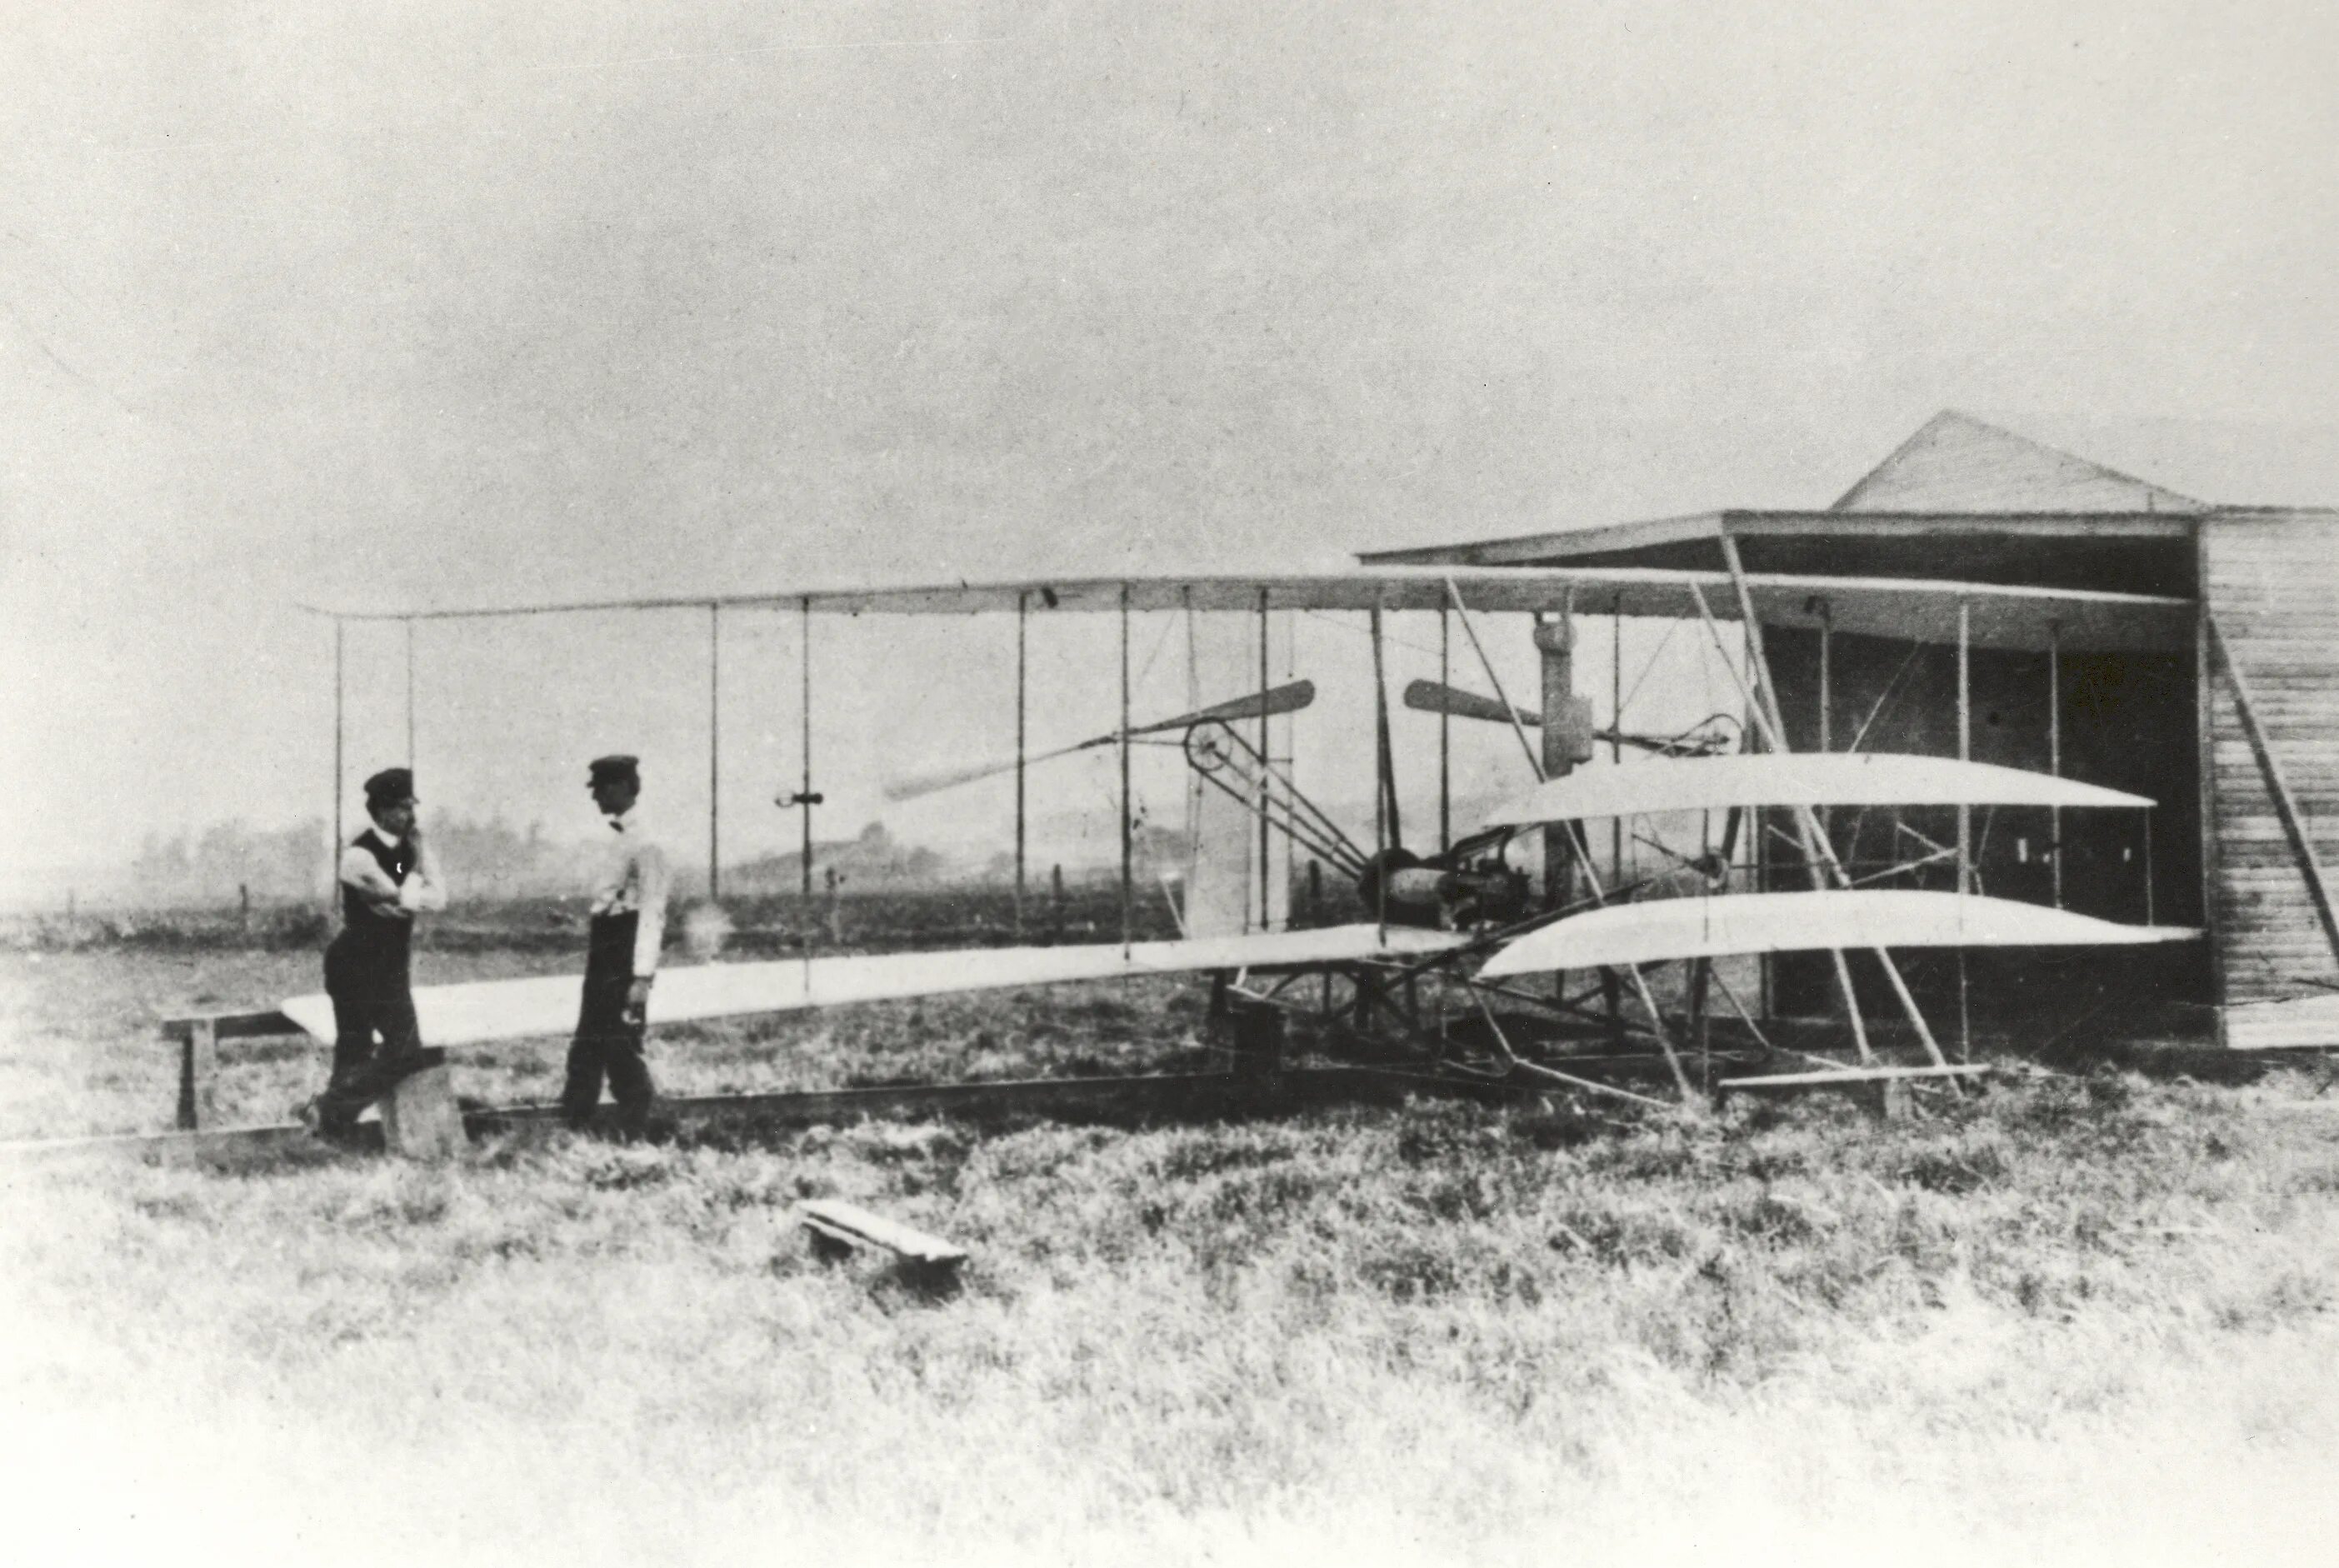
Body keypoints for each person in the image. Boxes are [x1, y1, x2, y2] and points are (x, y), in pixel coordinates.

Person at [304, 767, 446, 1137]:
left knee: (406, 1051)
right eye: (400, 807)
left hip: (391, 966)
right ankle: (332, 1130)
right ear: (380, 810)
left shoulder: (407, 851)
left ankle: (326, 1110)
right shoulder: (358, 856)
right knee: (355, 1049)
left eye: (410, 807)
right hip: (355, 962)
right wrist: (410, 893)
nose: (408, 815)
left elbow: (436, 897)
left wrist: (413, 875)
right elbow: (401, 903)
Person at [562, 753, 670, 1136]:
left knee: (620, 1045)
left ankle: (637, 1130)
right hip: (606, 947)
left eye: (603, 788)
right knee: (588, 1042)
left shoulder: (648, 842)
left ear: (623, 787)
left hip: (624, 953)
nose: (596, 797)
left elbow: (653, 912)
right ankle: (576, 1127)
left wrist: (641, 977)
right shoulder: (620, 837)